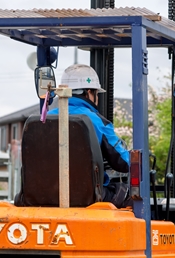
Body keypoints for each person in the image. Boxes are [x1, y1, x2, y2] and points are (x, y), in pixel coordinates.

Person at [48, 64, 132, 207]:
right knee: (131, 196)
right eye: (96, 94)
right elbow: (123, 163)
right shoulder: (95, 121)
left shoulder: (44, 119)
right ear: (89, 93)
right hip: (89, 198)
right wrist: (137, 158)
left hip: (45, 195)